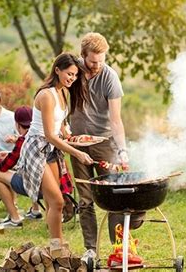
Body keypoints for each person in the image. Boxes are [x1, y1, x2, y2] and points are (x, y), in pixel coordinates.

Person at [69, 32, 138, 262]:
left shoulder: (109, 77)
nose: (97, 65)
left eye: (101, 60)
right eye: (92, 61)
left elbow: (116, 119)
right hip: (77, 143)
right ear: (83, 57)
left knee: (113, 196)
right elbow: (58, 102)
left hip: (104, 142)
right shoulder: (73, 72)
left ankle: (118, 248)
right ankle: (91, 250)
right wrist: (64, 133)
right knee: (85, 199)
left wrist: (122, 150)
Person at [14, 52, 93, 246]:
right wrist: (77, 152)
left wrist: (71, 136)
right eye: (69, 74)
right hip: (37, 149)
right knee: (58, 201)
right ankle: (58, 246)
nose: (72, 79)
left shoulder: (63, 92)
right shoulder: (46, 95)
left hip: (51, 150)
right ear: (57, 70)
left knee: (53, 201)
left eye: (75, 76)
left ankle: (56, 245)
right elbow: (49, 134)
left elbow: (60, 125)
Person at [0, 106, 42, 229]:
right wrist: (8, 154)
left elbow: (3, 166)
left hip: (35, 188)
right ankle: (35, 210)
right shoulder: (41, 135)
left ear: (17, 124)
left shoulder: (23, 140)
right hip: (52, 186)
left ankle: (14, 219)